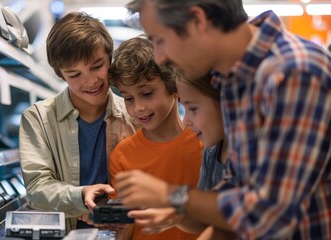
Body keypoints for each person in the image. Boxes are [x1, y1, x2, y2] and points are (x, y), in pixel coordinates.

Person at [115, 0, 331, 239]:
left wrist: (172, 195)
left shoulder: (294, 73)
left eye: (160, 40)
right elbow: (235, 196)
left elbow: (269, 214)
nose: (160, 57)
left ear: (198, 21)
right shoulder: (233, 79)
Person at [18, 11, 139, 232]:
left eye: (97, 66)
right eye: (75, 75)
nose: (91, 81)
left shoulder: (135, 115)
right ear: (61, 75)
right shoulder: (37, 119)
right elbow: (36, 189)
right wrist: (80, 195)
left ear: (109, 58)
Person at [107, 36, 203, 240]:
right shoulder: (122, 156)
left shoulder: (205, 145)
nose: (138, 107)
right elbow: (126, 227)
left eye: (147, 93)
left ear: (174, 86)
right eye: (129, 99)